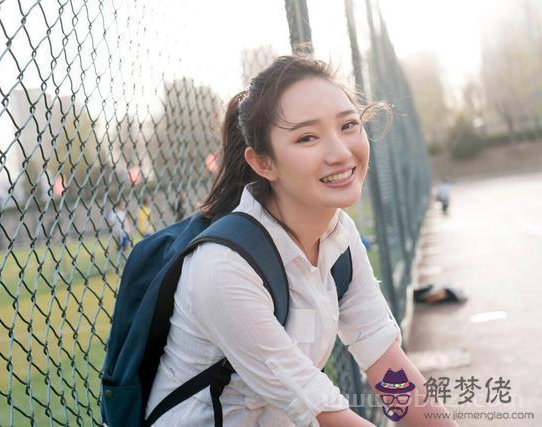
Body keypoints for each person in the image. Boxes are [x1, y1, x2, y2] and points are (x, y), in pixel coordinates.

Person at [145, 56, 456, 426]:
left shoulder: (338, 236)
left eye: (348, 125)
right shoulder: (224, 267)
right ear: (264, 163)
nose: (341, 152)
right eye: (308, 137)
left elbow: (387, 365)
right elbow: (323, 412)